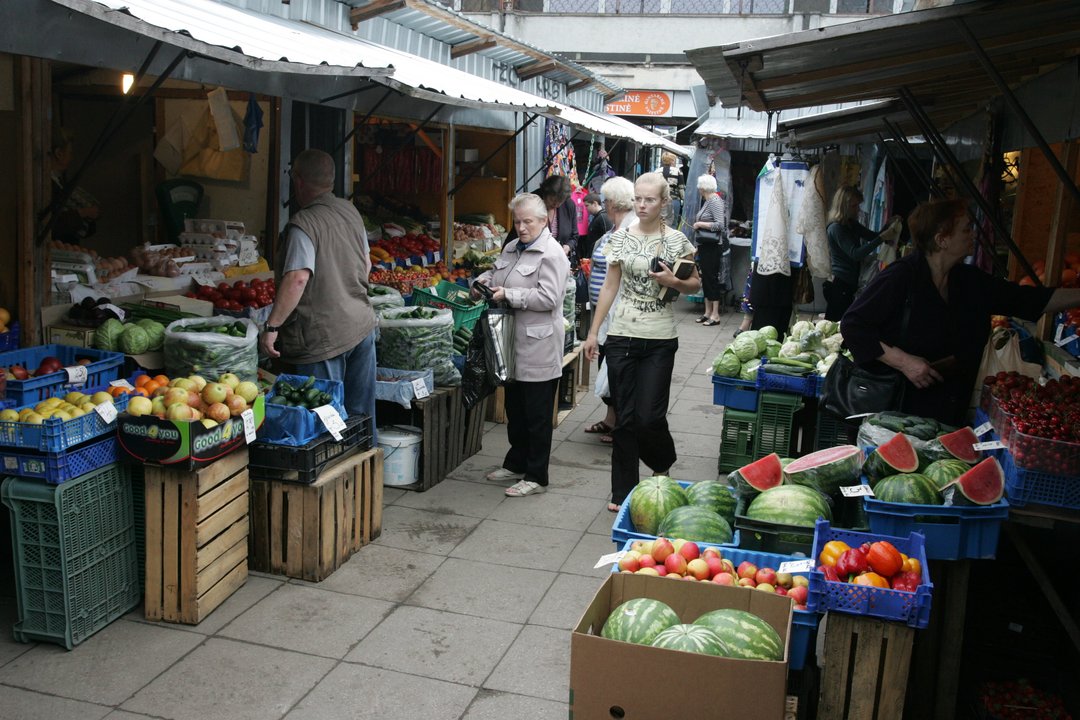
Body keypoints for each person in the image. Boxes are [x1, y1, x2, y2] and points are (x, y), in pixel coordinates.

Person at [842, 198, 1080, 426]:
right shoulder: (902, 277)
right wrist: (904, 362)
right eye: (966, 230)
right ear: (942, 239)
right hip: (898, 409)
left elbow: (1028, 299)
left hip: (950, 407)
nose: (973, 235)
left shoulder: (969, 281)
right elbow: (853, 325)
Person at [583, 172, 701, 512]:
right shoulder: (620, 238)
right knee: (625, 418)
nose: (642, 204)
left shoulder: (678, 241)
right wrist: (593, 333)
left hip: (660, 339)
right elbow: (610, 286)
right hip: (621, 336)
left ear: (664, 203)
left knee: (650, 416)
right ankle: (623, 492)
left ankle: (662, 461)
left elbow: (695, 284)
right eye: (638, 198)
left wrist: (671, 281)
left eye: (650, 199)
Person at [260, 149, 378, 424]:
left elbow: (297, 278)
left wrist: (272, 327)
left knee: (325, 420)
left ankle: (333, 466)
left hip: (323, 337)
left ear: (298, 181)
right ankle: (365, 465)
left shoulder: (303, 224)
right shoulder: (350, 211)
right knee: (361, 416)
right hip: (361, 325)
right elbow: (367, 264)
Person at [473, 193, 571, 497]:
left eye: (528, 221)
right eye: (517, 221)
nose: (521, 227)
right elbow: (497, 272)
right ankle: (515, 463)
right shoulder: (513, 247)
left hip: (539, 347)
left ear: (544, 221)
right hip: (511, 345)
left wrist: (510, 295)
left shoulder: (552, 254)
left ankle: (536, 476)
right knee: (515, 409)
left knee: (537, 415)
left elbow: (550, 298)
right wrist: (482, 282)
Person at [582, 176, 635, 445]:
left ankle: (623, 426)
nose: (603, 205)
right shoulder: (613, 230)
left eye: (605, 200)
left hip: (619, 314)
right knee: (606, 365)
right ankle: (611, 419)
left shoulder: (630, 231)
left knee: (618, 369)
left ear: (612, 202)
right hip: (604, 313)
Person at [824, 186, 901, 321]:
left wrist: (888, 225)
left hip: (851, 281)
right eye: (854, 206)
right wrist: (882, 238)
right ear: (844, 206)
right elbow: (856, 254)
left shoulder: (851, 224)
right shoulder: (836, 228)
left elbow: (872, 236)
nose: (858, 210)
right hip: (840, 282)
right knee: (836, 324)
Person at [504, 175, 579, 260]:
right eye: (553, 200)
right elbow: (517, 234)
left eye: (560, 202)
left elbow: (574, 235)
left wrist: (568, 246)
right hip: (529, 259)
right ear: (545, 193)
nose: (556, 205)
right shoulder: (530, 203)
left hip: (558, 260)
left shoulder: (569, 205)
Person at [48, 127, 100, 245]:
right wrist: (82, 213)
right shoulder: (49, 186)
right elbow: (52, 224)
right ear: (59, 154)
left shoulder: (59, 182)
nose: (71, 158)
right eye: (70, 153)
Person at [691, 175, 729, 326]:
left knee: (711, 278)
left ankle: (715, 314)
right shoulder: (709, 201)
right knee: (706, 278)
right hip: (705, 245)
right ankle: (707, 312)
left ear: (703, 187)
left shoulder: (714, 201)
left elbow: (720, 225)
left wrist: (700, 224)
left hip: (713, 246)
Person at [582, 192, 613, 261]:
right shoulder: (597, 217)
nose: (586, 209)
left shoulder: (603, 217)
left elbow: (609, 238)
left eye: (587, 205)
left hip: (600, 258)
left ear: (595, 203)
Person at [657, 152, 684, 228]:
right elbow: (681, 188)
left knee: (660, 221)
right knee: (673, 222)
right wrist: (683, 199)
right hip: (674, 200)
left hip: (660, 200)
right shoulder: (678, 171)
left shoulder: (657, 171)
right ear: (672, 160)